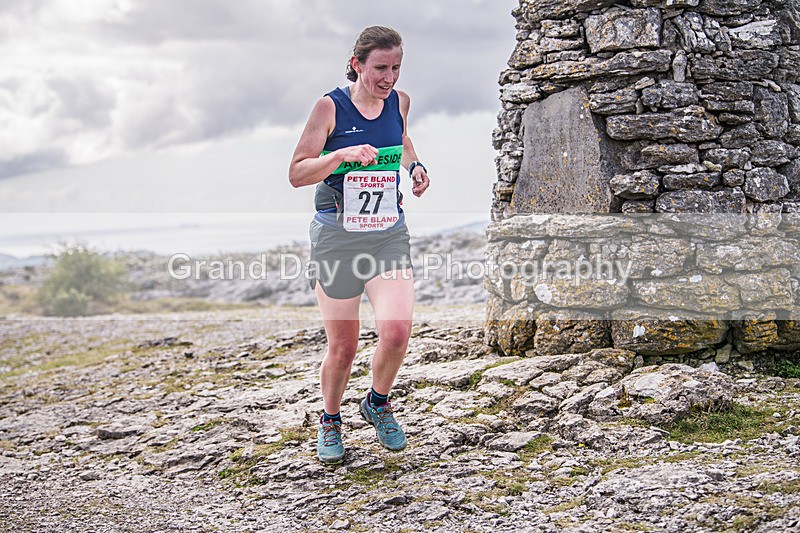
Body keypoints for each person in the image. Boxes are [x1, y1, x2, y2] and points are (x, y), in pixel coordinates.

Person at [288, 26, 430, 464]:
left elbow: (400, 138)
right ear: (357, 65)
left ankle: (377, 403)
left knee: (396, 331)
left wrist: (416, 166)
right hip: (337, 234)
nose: (389, 78)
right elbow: (297, 172)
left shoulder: (400, 101)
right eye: (380, 69)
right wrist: (339, 157)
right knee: (344, 346)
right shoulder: (329, 106)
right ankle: (330, 419)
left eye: (396, 68)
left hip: (388, 232)